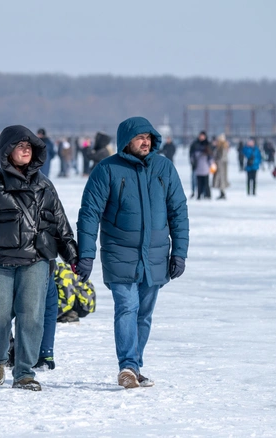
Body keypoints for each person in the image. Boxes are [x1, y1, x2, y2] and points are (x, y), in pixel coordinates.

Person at [76, 116, 189, 389]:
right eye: (140, 137)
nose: (146, 141)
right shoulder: (107, 170)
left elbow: (178, 212)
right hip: (119, 252)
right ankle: (127, 365)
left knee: (144, 314)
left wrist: (180, 252)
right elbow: (89, 214)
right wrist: (86, 254)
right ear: (127, 141)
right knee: (127, 306)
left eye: (149, 137)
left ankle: (134, 367)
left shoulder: (164, 168)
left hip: (156, 254)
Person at [0, 125, 78, 391]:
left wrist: (73, 255)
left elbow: (60, 224)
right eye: (20, 146)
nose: (26, 150)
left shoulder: (45, 185)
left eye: (30, 147)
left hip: (36, 260)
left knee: (32, 317)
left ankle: (25, 372)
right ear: (7, 151)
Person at [191, 135, 213, 200]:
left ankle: (199, 195)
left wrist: (193, 164)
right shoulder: (207, 150)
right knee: (206, 183)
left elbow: (192, 158)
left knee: (199, 184)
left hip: (198, 169)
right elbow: (210, 159)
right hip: (205, 169)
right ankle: (207, 195)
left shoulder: (196, 150)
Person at [212, 134, 229, 199]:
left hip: (221, 166)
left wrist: (216, 160)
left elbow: (221, 157)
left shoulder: (222, 147)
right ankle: (222, 193)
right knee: (221, 179)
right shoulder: (222, 147)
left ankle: (223, 193)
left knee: (221, 179)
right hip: (221, 165)